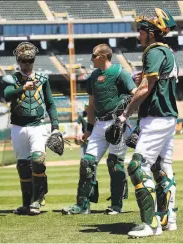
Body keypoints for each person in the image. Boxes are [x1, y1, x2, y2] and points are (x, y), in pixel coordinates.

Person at [118, 8, 178, 237]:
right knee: (163, 168)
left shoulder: (153, 51)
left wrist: (125, 113)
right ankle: (167, 218)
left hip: (155, 117)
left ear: (152, 33)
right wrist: (142, 76)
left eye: (141, 30)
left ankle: (150, 224)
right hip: (168, 116)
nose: (138, 35)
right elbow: (155, 80)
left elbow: (146, 87)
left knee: (137, 166)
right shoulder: (168, 51)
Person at [62, 44, 137, 215]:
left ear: (103, 56)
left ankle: (116, 205)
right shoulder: (93, 76)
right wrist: (88, 129)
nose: (91, 59)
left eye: (94, 55)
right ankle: (82, 205)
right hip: (98, 125)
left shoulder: (120, 73)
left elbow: (136, 94)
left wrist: (124, 116)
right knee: (87, 162)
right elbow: (91, 105)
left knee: (115, 164)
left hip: (117, 125)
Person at [3, 42, 60, 215]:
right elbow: (6, 95)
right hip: (18, 126)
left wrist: (55, 127)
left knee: (37, 160)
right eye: (24, 61)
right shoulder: (12, 78)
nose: (27, 65)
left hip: (38, 125)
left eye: (30, 61)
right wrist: (22, 88)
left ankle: (38, 199)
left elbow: (50, 103)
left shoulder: (43, 79)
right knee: (22, 165)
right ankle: (26, 203)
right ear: (18, 61)